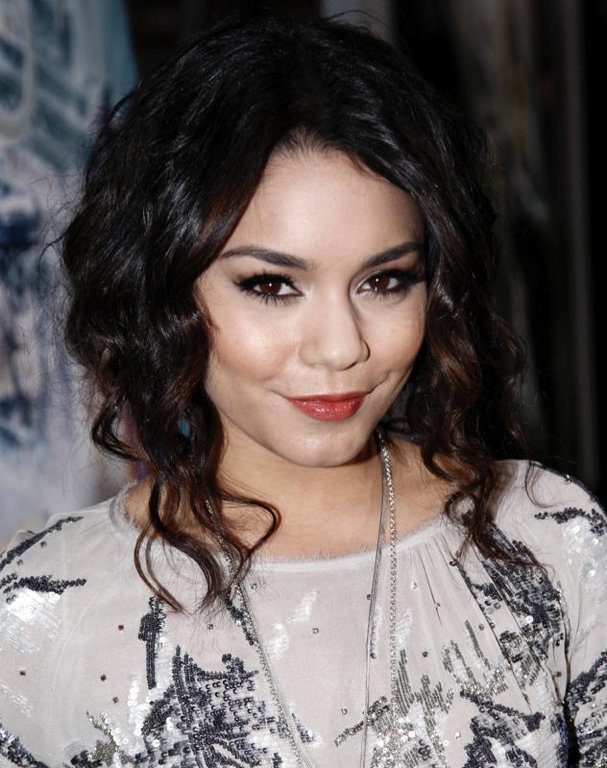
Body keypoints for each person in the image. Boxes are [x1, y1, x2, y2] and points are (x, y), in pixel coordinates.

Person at [0, 15, 605, 768]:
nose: (341, 347)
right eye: (271, 285)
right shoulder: (41, 616)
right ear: (165, 291)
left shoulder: (548, 542)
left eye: (385, 281)